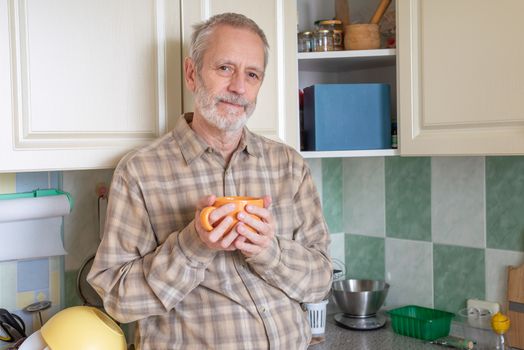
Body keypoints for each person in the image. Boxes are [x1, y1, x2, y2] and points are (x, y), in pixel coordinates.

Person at [87, 12, 332, 350]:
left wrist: (268, 250)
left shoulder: (288, 165)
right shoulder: (140, 172)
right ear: (192, 74)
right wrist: (193, 244)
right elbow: (116, 298)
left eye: (252, 74)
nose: (239, 88)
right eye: (224, 68)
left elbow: (320, 281)